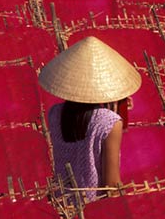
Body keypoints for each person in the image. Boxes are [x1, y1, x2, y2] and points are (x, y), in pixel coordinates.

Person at [38, 36, 141, 202]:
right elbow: (112, 185)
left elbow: (85, 134)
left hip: (64, 202)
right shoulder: (110, 122)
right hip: (93, 207)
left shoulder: (54, 113)